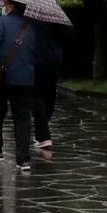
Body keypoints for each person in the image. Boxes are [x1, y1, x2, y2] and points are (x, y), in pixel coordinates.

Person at [0, 0, 37, 172]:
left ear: (11, 5)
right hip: (25, 77)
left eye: (6, 3)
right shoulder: (33, 25)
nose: (4, 5)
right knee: (22, 118)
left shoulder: (1, 22)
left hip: (3, 76)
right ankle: (23, 160)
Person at [32, 20, 64, 149]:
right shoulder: (57, 19)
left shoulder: (30, 21)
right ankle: (43, 126)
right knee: (50, 95)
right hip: (54, 60)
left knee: (37, 96)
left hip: (37, 61)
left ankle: (43, 133)